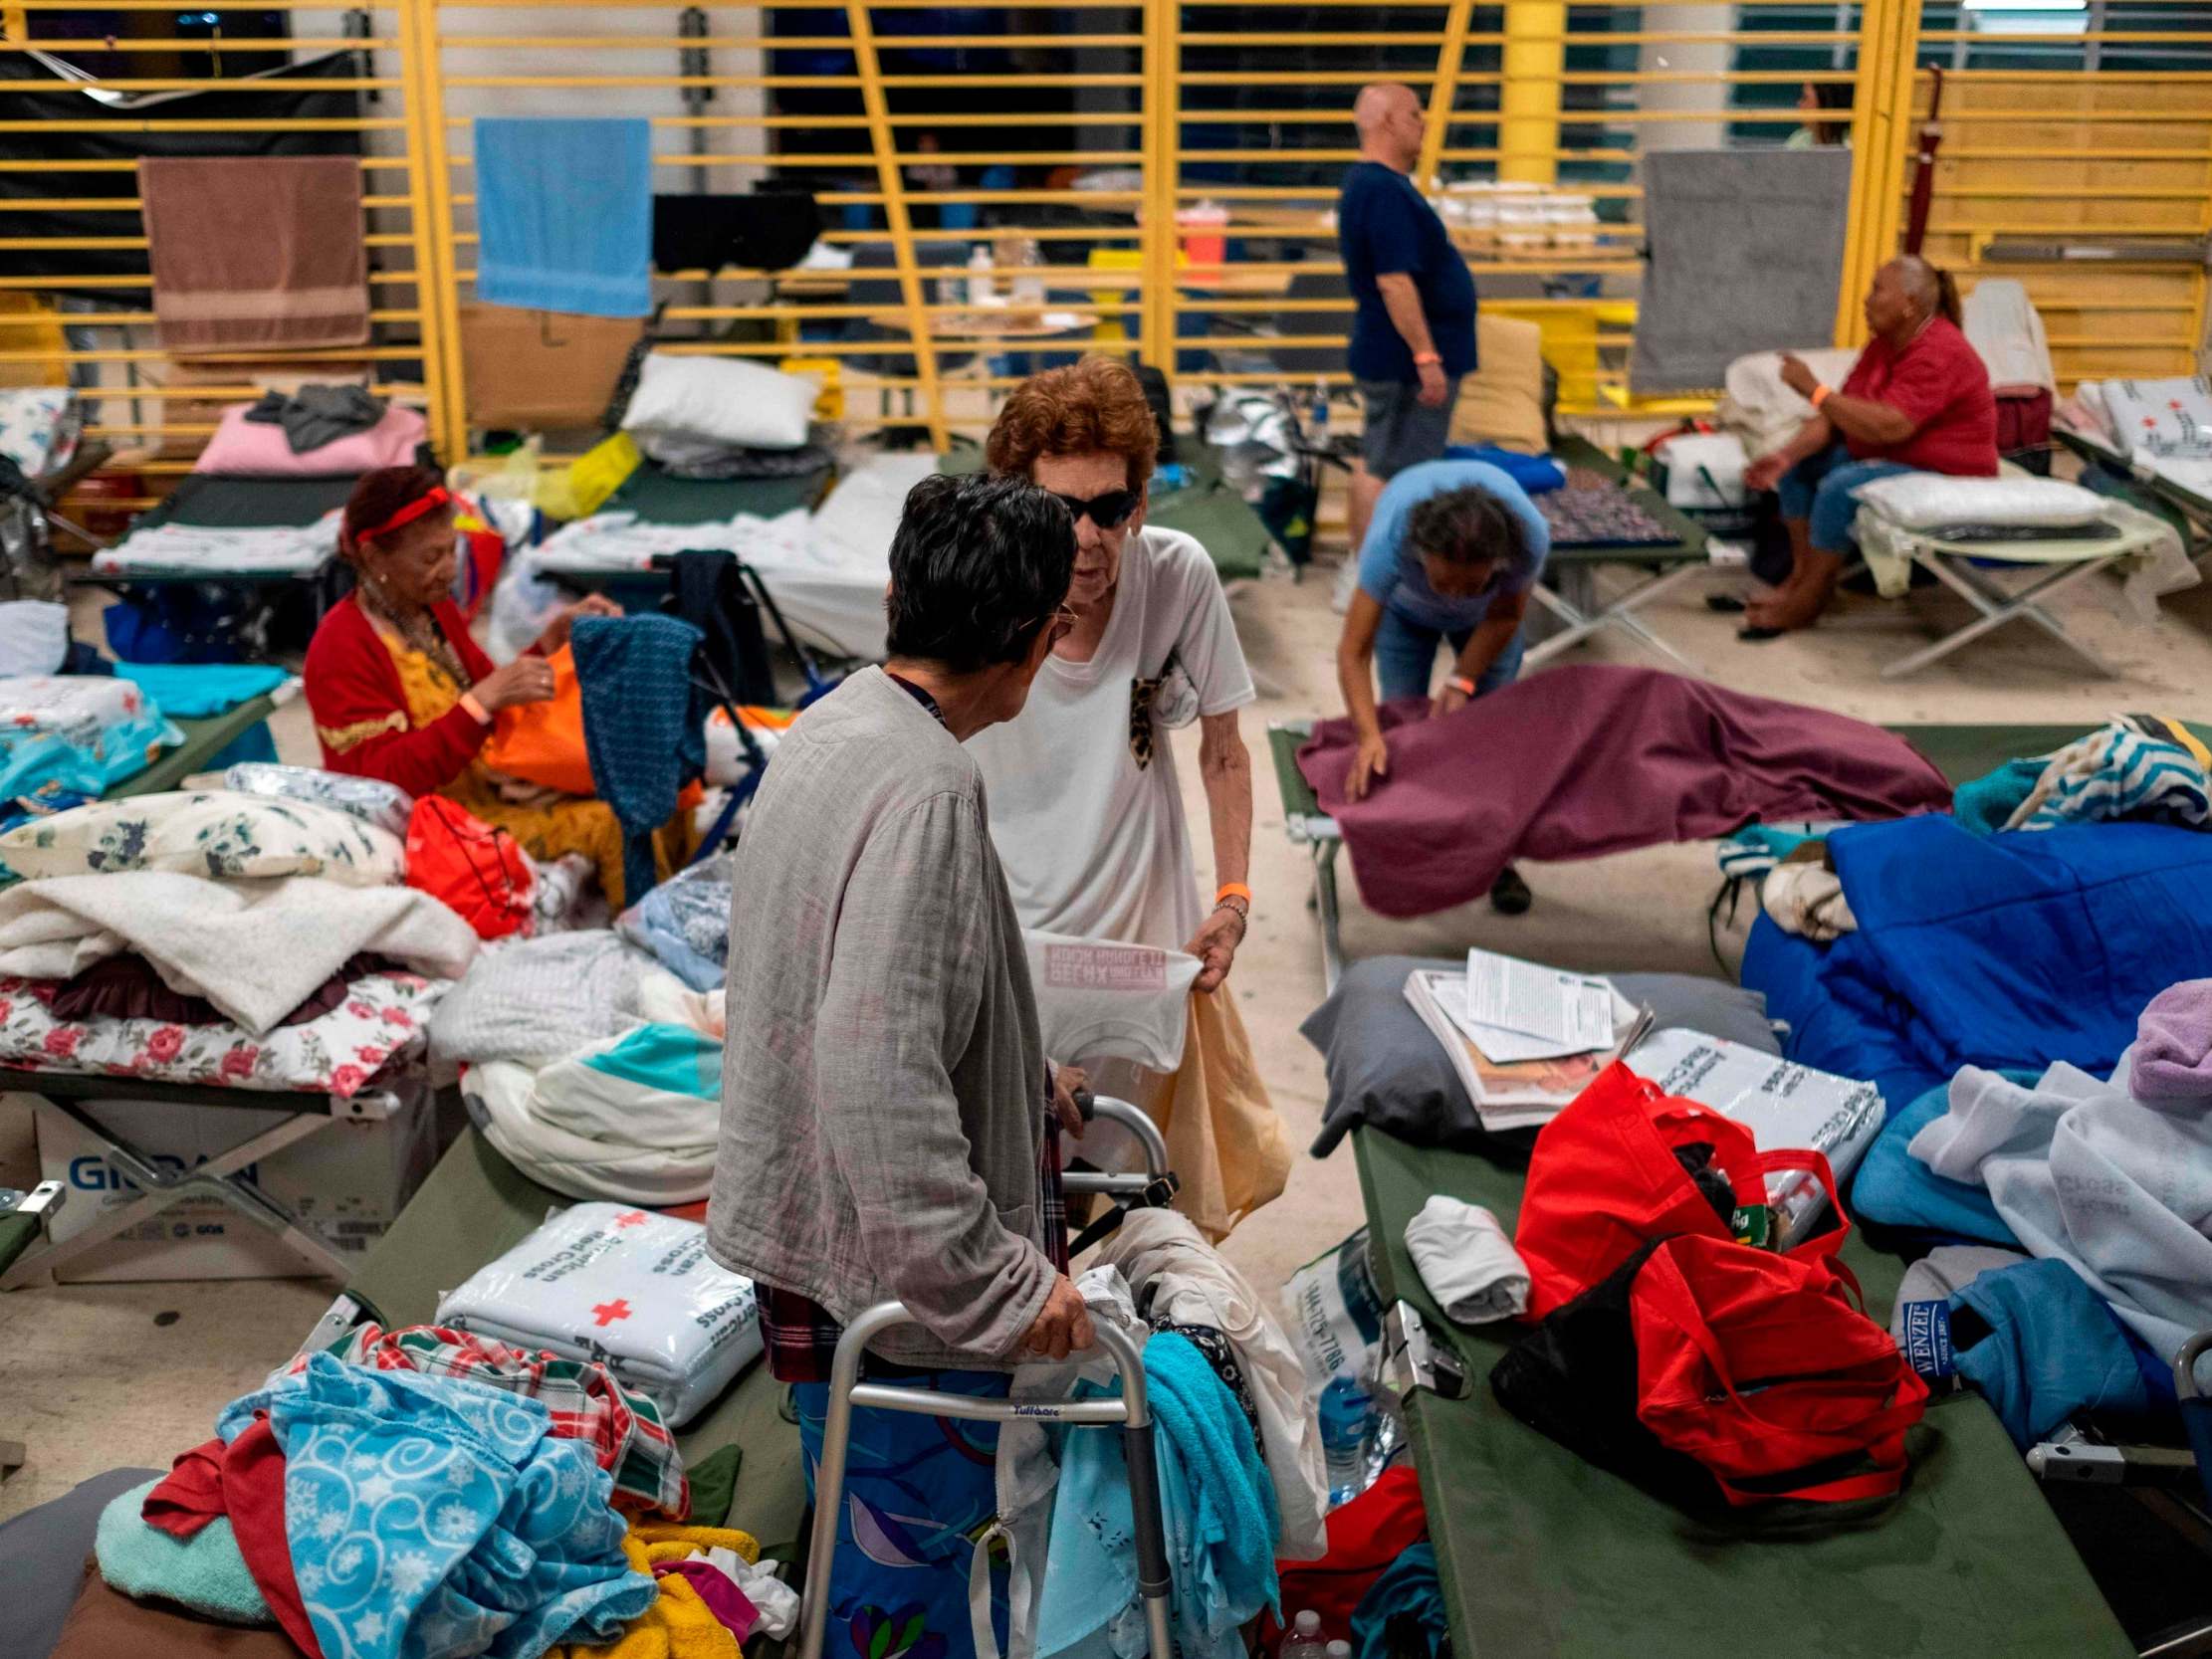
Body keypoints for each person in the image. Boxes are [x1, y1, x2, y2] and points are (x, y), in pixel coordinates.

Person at [708, 471, 1093, 1659]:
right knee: (905, 1584)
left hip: (814, 1233)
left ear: (894, 595)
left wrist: (1022, 1072)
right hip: (890, 1278)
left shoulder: (836, 719)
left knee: (854, 1508)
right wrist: (1001, 1286)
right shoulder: (927, 785)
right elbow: (877, 1077)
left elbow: (862, 971)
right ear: (1039, 641)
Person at [972, 357, 1290, 1239]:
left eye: (1110, 509)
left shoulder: (1176, 576)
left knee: (1134, 1207)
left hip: (1141, 955)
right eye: (1059, 510)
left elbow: (1225, 751)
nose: (1086, 538)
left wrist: (1233, 900)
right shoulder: (984, 593)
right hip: (1017, 948)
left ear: (1141, 502)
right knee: (1015, 1206)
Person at [302, 464, 644, 900]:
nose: (447, 570)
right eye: (430, 557)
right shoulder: (343, 646)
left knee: (640, 797)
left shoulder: (431, 610)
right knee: (613, 825)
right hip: (430, 828)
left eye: (452, 551)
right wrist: (478, 705)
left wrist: (551, 641)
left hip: (482, 792)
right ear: (373, 557)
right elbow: (377, 785)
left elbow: (489, 689)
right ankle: (638, 946)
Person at [1334, 458, 1549, 912]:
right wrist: (1369, 735)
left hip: (1488, 623)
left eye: (1469, 584)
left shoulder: (1527, 540)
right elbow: (1353, 651)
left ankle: (1497, 859)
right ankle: (1412, 849)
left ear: (1498, 563)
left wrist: (1463, 677)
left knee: (1489, 735)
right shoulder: (1390, 542)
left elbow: (1507, 615)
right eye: (1442, 581)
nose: (1453, 595)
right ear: (1419, 557)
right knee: (1401, 734)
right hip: (1404, 616)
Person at [1741, 256, 1997, 635]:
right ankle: (1798, 580)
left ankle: (1810, 600)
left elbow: (1890, 427)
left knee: (1840, 486)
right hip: (1899, 457)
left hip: (1948, 472)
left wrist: (1814, 390)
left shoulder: (1940, 351)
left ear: (1909, 303)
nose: (1866, 300)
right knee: (1800, 472)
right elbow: (1836, 417)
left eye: (1878, 290)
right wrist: (1783, 456)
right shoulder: (1884, 345)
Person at [1338, 82, 1479, 559]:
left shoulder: (1378, 186)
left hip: (1396, 356)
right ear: (1388, 122)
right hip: (1404, 363)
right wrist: (1426, 355)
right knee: (1399, 472)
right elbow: (1394, 282)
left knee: (1378, 461)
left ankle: (1366, 575)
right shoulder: (1381, 190)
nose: (1424, 125)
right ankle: (1380, 579)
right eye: (1416, 114)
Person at [1787, 81, 1854, 148]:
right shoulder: (1799, 141)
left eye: (1805, 98)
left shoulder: (1852, 146)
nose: (1799, 103)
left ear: (1825, 104)